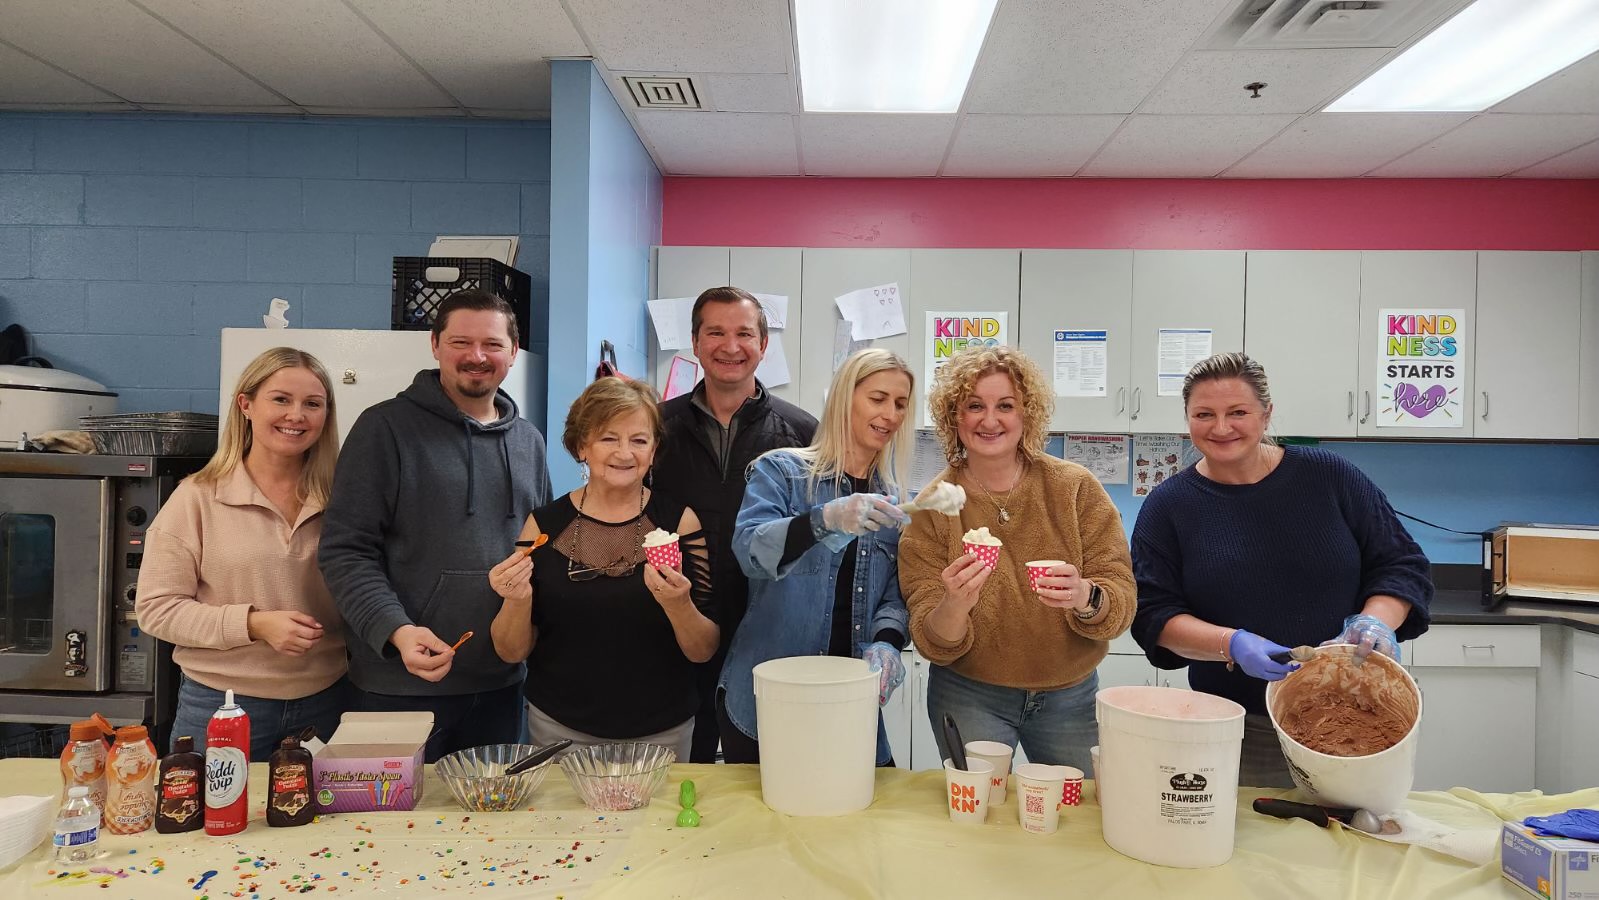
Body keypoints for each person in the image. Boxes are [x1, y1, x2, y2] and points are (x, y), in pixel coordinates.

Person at [1130, 352, 1433, 787]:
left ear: (1266, 414)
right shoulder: (1169, 507)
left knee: (1355, 841)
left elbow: (1401, 563)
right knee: (1260, 846)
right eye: (1204, 414)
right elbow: (1153, 614)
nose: (1221, 427)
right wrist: (1229, 643)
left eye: (1238, 412)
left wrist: (1375, 623)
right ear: (1187, 419)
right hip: (1240, 724)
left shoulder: (1329, 477)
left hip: (1361, 711)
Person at [319, 289, 551, 763]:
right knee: (389, 833)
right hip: (398, 688)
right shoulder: (384, 429)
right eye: (460, 342)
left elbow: (538, 551)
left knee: (490, 831)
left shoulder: (528, 440)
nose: (476, 357)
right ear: (434, 344)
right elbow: (345, 550)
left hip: (502, 688)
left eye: (491, 344)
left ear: (513, 351)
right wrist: (396, 631)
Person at [898, 346, 1134, 774]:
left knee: (1078, 815)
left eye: (1005, 406)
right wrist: (953, 604)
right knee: (980, 817)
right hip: (969, 694)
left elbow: (1120, 599)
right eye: (974, 406)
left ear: (1027, 414)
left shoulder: (1074, 489)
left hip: (1070, 696)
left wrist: (1085, 595)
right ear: (955, 417)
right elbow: (932, 640)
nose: (990, 421)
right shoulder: (934, 506)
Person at [489, 377, 718, 760]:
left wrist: (679, 605)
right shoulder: (543, 527)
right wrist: (516, 599)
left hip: (662, 733)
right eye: (608, 438)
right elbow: (511, 652)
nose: (624, 453)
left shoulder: (679, 523)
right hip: (560, 730)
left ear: (654, 449)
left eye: (639, 440)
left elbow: (703, 650)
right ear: (582, 446)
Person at [138, 347, 348, 760]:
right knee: (211, 822)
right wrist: (253, 624)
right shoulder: (197, 498)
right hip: (222, 705)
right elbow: (155, 610)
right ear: (246, 405)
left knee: (323, 825)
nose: (297, 416)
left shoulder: (343, 500)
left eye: (313, 404)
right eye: (281, 399)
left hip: (329, 703)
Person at [718, 348, 915, 766]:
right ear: (845, 398)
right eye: (877, 399)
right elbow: (750, 552)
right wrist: (825, 519)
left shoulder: (894, 502)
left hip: (848, 700)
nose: (891, 414)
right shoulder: (781, 472)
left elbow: (896, 594)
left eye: (900, 403)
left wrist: (887, 642)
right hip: (766, 702)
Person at [654, 286, 817, 763]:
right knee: (690, 772)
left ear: (763, 345)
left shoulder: (803, 433)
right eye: (716, 333)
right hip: (676, 624)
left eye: (744, 333)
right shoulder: (656, 428)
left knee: (771, 767)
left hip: (771, 627)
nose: (730, 346)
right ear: (695, 342)